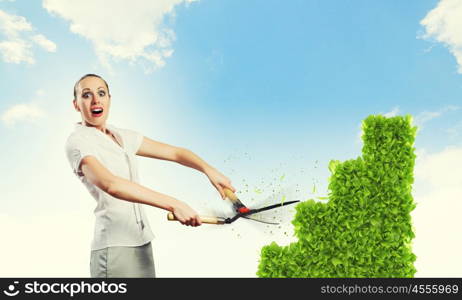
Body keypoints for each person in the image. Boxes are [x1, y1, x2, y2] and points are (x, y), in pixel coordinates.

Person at [65, 73, 236, 278]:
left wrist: (209, 170)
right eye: (86, 95)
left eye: (101, 93)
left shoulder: (121, 135)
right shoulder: (78, 142)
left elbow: (176, 153)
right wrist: (174, 204)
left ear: (110, 99)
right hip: (115, 247)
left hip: (142, 242)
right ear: (76, 105)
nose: (95, 100)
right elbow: (111, 184)